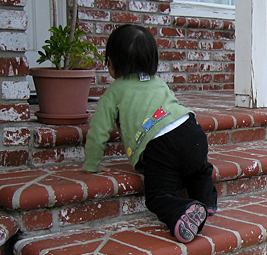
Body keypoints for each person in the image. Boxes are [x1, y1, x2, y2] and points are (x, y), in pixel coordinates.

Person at [83, 24, 217, 243]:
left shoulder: (115, 91)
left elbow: (99, 130)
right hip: (191, 129)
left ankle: (184, 210)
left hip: (161, 145)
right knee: (198, 169)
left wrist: (92, 165)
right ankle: (207, 201)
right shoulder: (157, 82)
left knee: (158, 195)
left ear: (114, 62)